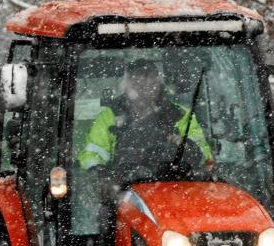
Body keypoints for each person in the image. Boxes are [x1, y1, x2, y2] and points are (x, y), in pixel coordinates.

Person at [77, 59, 213, 178]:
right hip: (123, 187)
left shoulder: (180, 115)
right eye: (138, 83)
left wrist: (185, 145)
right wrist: (100, 174)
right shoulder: (110, 116)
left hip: (173, 184)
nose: (144, 88)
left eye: (150, 82)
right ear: (128, 86)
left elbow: (204, 156)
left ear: (159, 85)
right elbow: (93, 154)